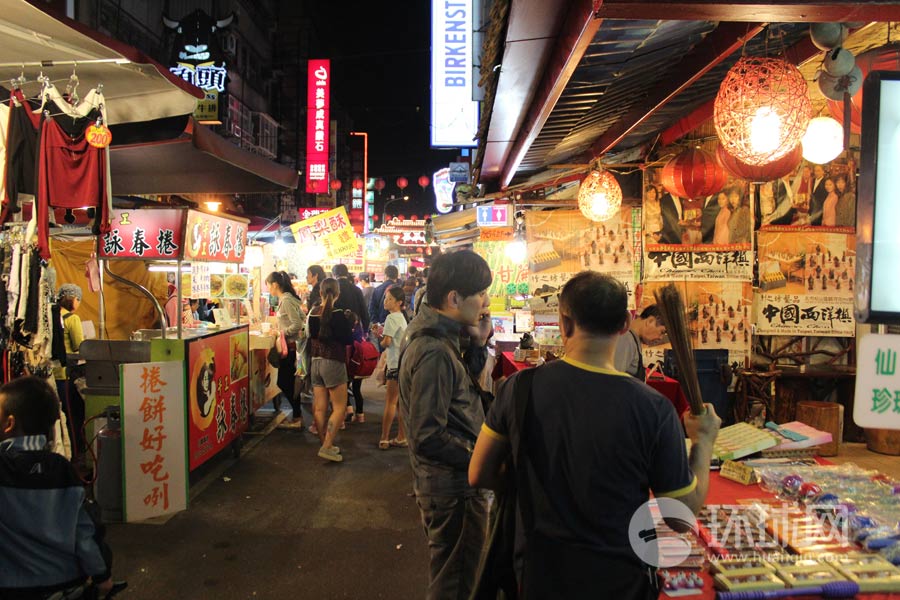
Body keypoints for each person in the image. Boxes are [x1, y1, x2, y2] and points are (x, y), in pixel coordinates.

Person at [469, 271, 721, 599]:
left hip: (539, 574)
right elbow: (680, 517)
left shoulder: (519, 388)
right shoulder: (654, 408)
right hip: (620, 579)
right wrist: (703, 441)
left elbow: (479, 473)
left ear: (564, 322)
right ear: (624, 325)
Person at [399, 250, 493, 600]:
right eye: (479, 293)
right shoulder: (434, 350)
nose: (485, 302)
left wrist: (478, 343)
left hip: (450, 485)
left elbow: (461, 392)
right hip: (453, 489)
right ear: (454, 298)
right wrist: (482, 459)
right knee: (456, 584)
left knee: (455, 576)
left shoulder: (438, 335)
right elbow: (427, 435)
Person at [0, 376, 114, 597]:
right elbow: (84, 532)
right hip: (64, 585)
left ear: (9, 423)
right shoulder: (62, 470)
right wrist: (102, 576)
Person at [308, 278, 354, 462]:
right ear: (337, 294)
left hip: (315, 363)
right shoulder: (339, 314)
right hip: (333, 362)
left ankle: (325, 444)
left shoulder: (313, 313)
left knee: (320, 407)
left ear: (320, 292)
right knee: (339, 407)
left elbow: (310, 336)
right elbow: (348, 340)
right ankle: (327, 445)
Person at [266, 271, 306, 429]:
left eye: (268, 285)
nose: (268, 288)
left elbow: (297, 324)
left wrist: (282, 332)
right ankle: (297, 416)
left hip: (289, 347)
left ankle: (297, 416)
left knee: (284, 382)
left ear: (275, 284)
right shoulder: (288, 299)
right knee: (289, 382)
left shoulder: (286, 300)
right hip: (291, 346)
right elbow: (302, 319)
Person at [54, 283, 87, 458]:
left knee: (58, 416)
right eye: (78, 299)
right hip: (67, 374)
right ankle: (75, 452)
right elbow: (79, 346)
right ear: (73, 299)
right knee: (73, 416)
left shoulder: (51, 316)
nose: (79, 303)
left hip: (52, 374)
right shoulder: (72, 319)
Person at [378, 286, 409, 450]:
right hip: (402, 364)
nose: (386, 301)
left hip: (394, 365)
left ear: (399, 302)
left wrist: (380, 338)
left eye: (390, 299)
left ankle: (384, 438)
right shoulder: (402, 317)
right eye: (386, 298)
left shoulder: (391, 318)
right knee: (399, 404)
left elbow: (387, 342)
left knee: (390, 402)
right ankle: (402, 436)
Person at [613, 304, 667, 380]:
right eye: (662, 332)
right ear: (650, 321)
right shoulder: (626, 339)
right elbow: (614, 379)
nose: (660, 338)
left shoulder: (633, 339)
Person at [332, 263, 369, 332]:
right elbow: (363, 310)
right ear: (346, 274)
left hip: (335, 327)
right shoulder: (356, 289)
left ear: (334, 275)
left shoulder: (332, 289)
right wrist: (365, 328)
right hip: (354, 327)